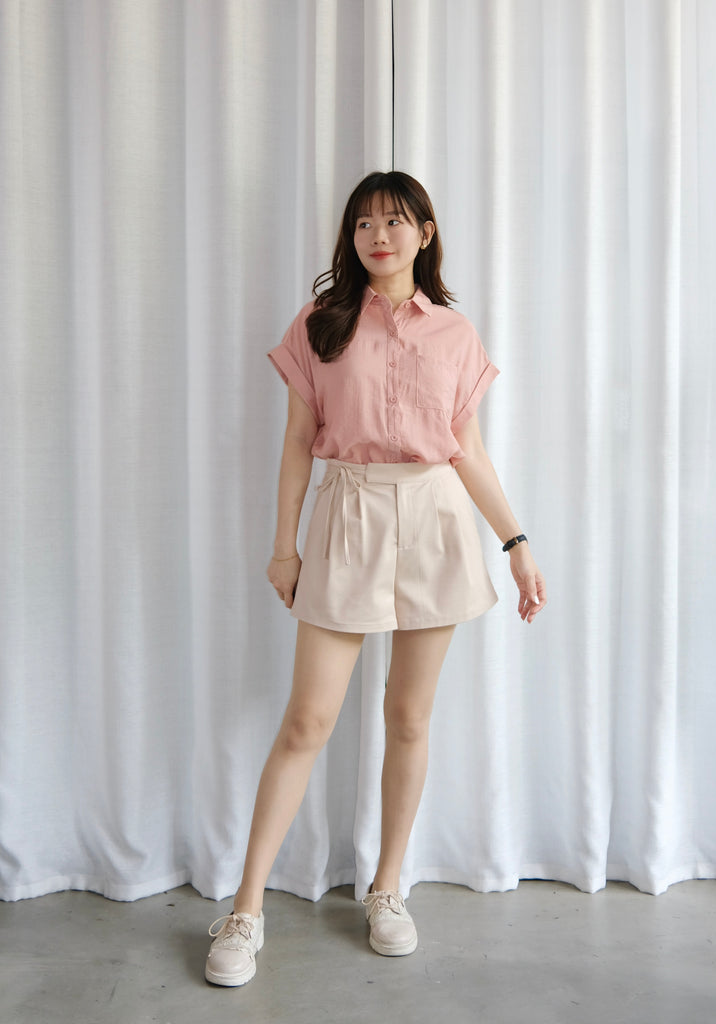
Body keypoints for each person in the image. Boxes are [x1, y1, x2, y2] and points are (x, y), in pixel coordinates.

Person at [204, 170, 547, 987]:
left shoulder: (454, 333)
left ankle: (387, 889)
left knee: (409, 718)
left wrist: (516, 542)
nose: (377, 235)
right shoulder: (320, 324)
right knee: (307, 721)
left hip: (435, 519)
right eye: (363, 223)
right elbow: (298, 443)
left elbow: (467, 450)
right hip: (349, 514)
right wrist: (283, 547)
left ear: (425, 233)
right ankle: (245, 909)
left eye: (394, 221)